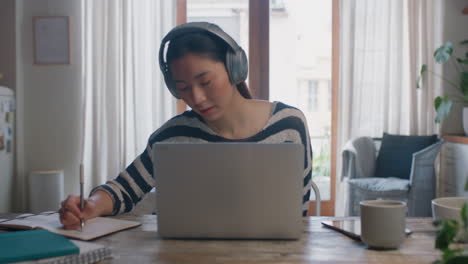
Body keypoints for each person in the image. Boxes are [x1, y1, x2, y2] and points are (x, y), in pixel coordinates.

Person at [59, 22, 313, 230]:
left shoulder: (289, 124)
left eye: (206, 82)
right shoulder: (173, 134)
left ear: (235, 68)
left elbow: (297, 214)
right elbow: (124, 189)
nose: (196, 98)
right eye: (183, 88)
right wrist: (91, 204)